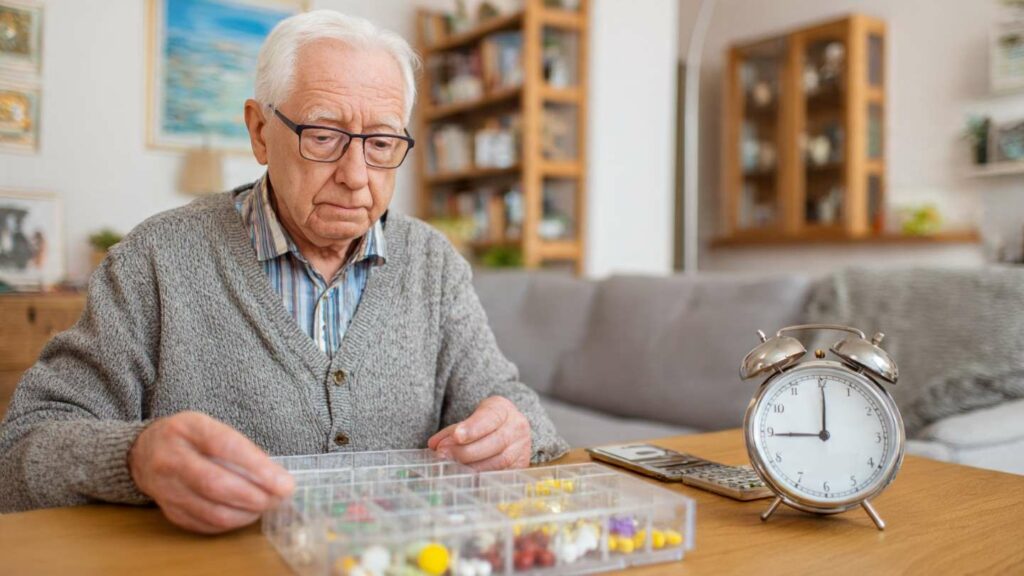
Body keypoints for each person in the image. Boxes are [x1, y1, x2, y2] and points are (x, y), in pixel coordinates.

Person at [0, 10, 567, 534]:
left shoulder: (433, 263)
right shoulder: (154, 260)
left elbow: (515, 407)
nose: (355, 175)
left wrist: (512, 426)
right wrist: (133, 458)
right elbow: (22, 450)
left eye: (381, 142)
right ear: (259, 131)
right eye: (323, 136)